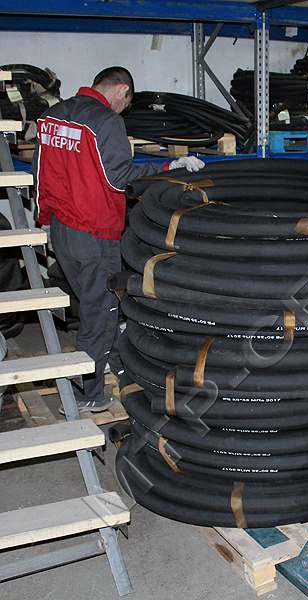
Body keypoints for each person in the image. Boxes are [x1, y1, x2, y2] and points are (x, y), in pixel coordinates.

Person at [33, 66, 204, 413]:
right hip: (94, 232)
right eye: (126, 103)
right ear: (122, 90)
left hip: (62, 230)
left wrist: (44, 218)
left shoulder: (53, 115)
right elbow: (118, 179)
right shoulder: (106, 120)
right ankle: (87, 394)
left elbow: (41, 173)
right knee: (99, 313)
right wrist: (168, 168)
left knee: (99, 304)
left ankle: (115, 364)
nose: (124, 109)